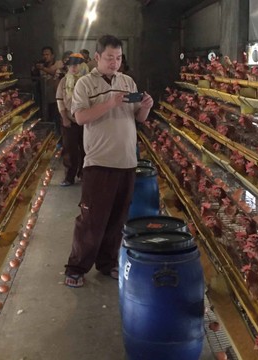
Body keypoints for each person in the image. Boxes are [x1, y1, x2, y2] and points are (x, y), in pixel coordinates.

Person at [64, 35, 154, 287]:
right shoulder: (84, 84)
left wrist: (146, 105)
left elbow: (140, 119)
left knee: (117, 219)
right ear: (97, 58)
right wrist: (109, 103)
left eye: (119, 58)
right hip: (99, 162)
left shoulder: (127, 81)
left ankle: (108, 263)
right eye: (109, 58)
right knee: (92, 219)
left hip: (126, 161)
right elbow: (80, 117)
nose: (115, 63)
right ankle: (76, 267)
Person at [55, 53, 86, 186]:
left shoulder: (85, 81)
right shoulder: (64, 81)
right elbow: (60, 100)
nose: (74, 68)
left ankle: (84, 174)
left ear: (80, 66)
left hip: (85, 119)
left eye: (76, 65)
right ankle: (69, 176)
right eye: (71, 65)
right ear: (68, 67)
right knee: (70, 149)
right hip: (69, 120)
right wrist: (64, 118)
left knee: (86, 148)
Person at [31, 46, 64, 137]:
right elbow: (35, 80)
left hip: (56, 99)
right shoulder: (41, 66)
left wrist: (43, 69)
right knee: (47, 121)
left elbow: (56, 73)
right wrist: (34, 69)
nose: (45, 56)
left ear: (52, 56)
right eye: (43, 55)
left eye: (47, 54)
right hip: (45, 100)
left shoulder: (58, 64)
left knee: (57, 122)